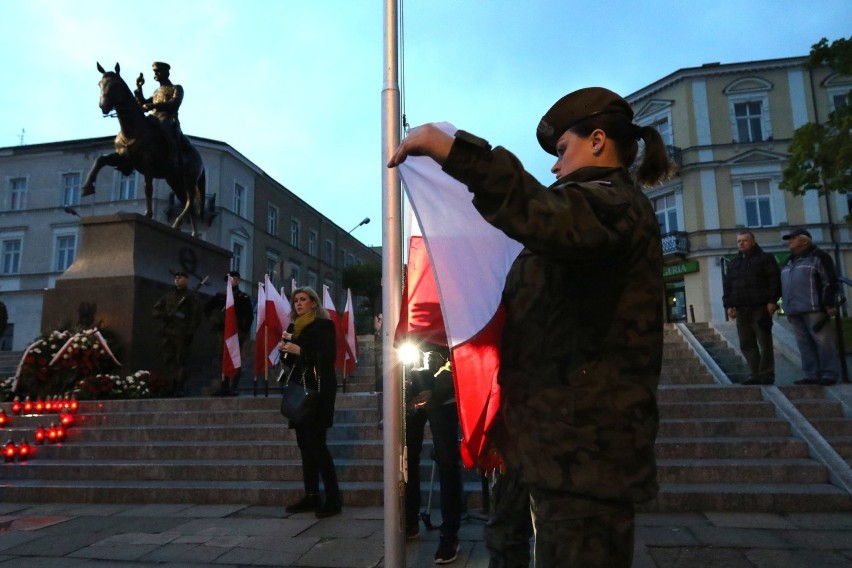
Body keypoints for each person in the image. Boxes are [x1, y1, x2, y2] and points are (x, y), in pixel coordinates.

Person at [388, 87, 670, 567]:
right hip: (552, 438)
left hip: (585, 454)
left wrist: (459, 154)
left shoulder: (612, 203)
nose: (556, 167)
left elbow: (542, 215)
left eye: (563, 151)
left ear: (598, 141)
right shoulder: (592, 211)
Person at [278, 286, 342, 518]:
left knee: (317, 445)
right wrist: (285, 350)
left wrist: (300, 350)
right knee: (304, 445)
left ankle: (333, 498)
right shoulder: (295, 326)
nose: (298, 303)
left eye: (303, 299)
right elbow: (288, 360)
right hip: (300, 389)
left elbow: (327, 357)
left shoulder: (324, 325)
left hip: (318, 391)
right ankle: (312, 495)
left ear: (314, 303)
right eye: (296, 300)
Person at [405, 346, 463, 564]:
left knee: (447, 460)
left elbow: (458, 348)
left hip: (443, 394)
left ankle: (450, 532)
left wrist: (438, 389)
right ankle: (409, 520)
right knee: (406, 457)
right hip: (409, 393)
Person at [780, 228, 841, 386]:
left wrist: (829, 304)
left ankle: (829, 374)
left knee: (823, 342)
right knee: (804, 345)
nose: (789, 241)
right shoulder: (788, 261)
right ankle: (811, 375)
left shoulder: (819, 257)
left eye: (793, 239)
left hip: (815, 308)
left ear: (804, 240)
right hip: (794, 309)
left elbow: (830, 281)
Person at [722, 230, 782, 385]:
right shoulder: (734, 263)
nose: (741, 243)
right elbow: (727, 286)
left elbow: (774, 280)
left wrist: (772, 301)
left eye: (744, 240)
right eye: (739, 241)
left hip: (760, 307)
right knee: (746, 343)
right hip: (741, 309)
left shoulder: (765, 259)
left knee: (764, 342)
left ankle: (767, 374)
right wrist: (728, 304)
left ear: (753, 242)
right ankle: (754, 373)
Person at [152, 270, 202, 397]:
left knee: (181, 360)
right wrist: (166, 315)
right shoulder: (168, 297)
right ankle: (170, 385)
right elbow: (155, 311)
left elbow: (195, 317)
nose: (177, 279)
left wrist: (190, 332)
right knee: (168, 359)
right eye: (176, 278)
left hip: (181, 333)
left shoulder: (191, 297)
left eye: (180, 277)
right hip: (168, 332)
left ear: (187, 279)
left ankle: (179, 387)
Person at [135, 61, 184, 168]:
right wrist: (139, 88)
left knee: (164, 126)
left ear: (166, 73)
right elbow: (143, 103)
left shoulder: (176, 88)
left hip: (168, 118)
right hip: (153, 118)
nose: (156, 74)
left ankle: (173, 156)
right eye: (155, 72)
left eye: (158, 71)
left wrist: (154, 106)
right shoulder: (156, 92)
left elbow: (174, 103)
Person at [213, 271, 254, 396]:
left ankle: (233, 386)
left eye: (233, 278)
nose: (231, 281)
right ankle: (223, 386)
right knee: (223, 358)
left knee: (235, 359)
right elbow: (209, 309)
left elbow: (249, 316)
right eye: (229, 279)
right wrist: (215, 321)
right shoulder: (220, 296)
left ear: (238, 281)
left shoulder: (243, 297)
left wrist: (243, 330)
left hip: (237, 333)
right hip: (222, 332)